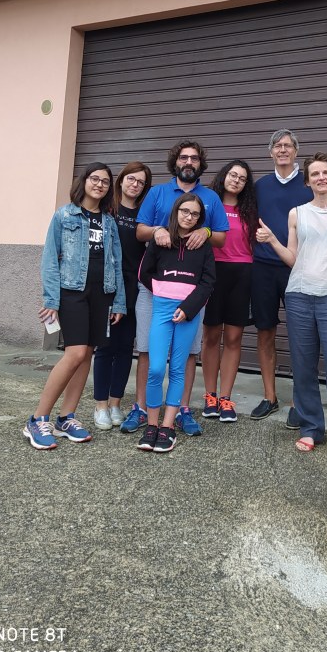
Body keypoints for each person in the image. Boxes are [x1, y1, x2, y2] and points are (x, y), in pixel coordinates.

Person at [256, 153, 327, 462]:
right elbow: (293, 258)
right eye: (315, 174)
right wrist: (273, 241)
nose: (321, 178)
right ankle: (311, 428)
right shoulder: (297, 214)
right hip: (300, 294)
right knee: (303, 365)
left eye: (326, 173)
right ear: (307, 181)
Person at [119, 139, 228, 437]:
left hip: (191, 292)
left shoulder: (210, 197)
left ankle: (181, 410)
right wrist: (158, 230)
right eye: (183, 157)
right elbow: (140, 231)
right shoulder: (157, 193)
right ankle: (141, 408)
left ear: (200, 164)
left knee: (188, 353)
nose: (188, 162)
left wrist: (206, 230)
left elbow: (221, 237)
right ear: (175, 162)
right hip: (155, 287)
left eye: (194, 158)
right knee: (146, 349)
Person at [24, 162, 126, 450]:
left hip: (102, 293)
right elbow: (49, 259)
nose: (100, 184)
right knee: (75, 353)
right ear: (84, 181)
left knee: (87, 355)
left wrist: (119, 301)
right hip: (72, 292)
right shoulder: (64, 215)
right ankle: (37, 418)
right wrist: (51, 300)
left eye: (105, 181)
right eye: (95, 178)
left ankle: (66, 418)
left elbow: (116, 262)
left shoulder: (109, 222)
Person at [137, 194, 216, 453]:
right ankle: (151, 425)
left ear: (199, 218)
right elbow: (144, 273)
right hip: (161, 310)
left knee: (178, 369)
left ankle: (167, 427)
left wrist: (188, 308)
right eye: (185, 211)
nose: (189, 217)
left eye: (195, 214)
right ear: (176, 211)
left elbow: (208, 282)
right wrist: (162, 293)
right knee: (156, 368)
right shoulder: (160, 240)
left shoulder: (202, 245)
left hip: (188, 314)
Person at [250, 129, 312, 426]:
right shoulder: (260, 186)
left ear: (296, 151)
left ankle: (299, 402)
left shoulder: (310, 183)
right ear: (271, 152)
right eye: (278, 145)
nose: (283, 149)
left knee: (301, 335)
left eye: (288, 145)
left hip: (299, 269)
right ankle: (269, 397)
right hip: (262, 268)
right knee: (265, 332)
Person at [92, 161, 152, 429]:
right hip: (108, 284)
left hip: (134, 285)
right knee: (106, 346)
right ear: (121, 179)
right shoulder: (107, 208)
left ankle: (116, 403)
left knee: (126, 347)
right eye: (131, 179)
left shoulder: (144, 214)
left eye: (141, 182)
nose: (135, 184)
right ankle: (100, 405)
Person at [201, 159, 259, 422]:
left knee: (234, 338)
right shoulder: (209, 204)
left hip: (242, 274)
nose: (236, 180)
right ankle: (210, 396)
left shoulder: (251, 210)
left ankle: (226, 398)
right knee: (212, 336)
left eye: (242, 178)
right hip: (213, 272)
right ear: (224, 176)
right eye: (233, 175)